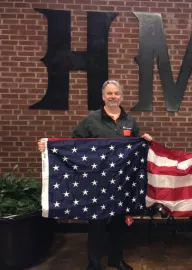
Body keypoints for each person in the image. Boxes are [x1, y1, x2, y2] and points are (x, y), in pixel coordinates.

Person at [37, 80, 152, 270]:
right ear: (103, 96)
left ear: (121, 97)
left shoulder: (129, 121)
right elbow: (73, 144)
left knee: (118, 223)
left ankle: (116, 259)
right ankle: (94, 262)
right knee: (96, 223)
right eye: (109, 93)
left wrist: (145, 140)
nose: (113, 96)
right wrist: (50, 147)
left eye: (116, 93)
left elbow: (136, 147)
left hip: (121, 182)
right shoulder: (91, 120)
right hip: (96, 182)